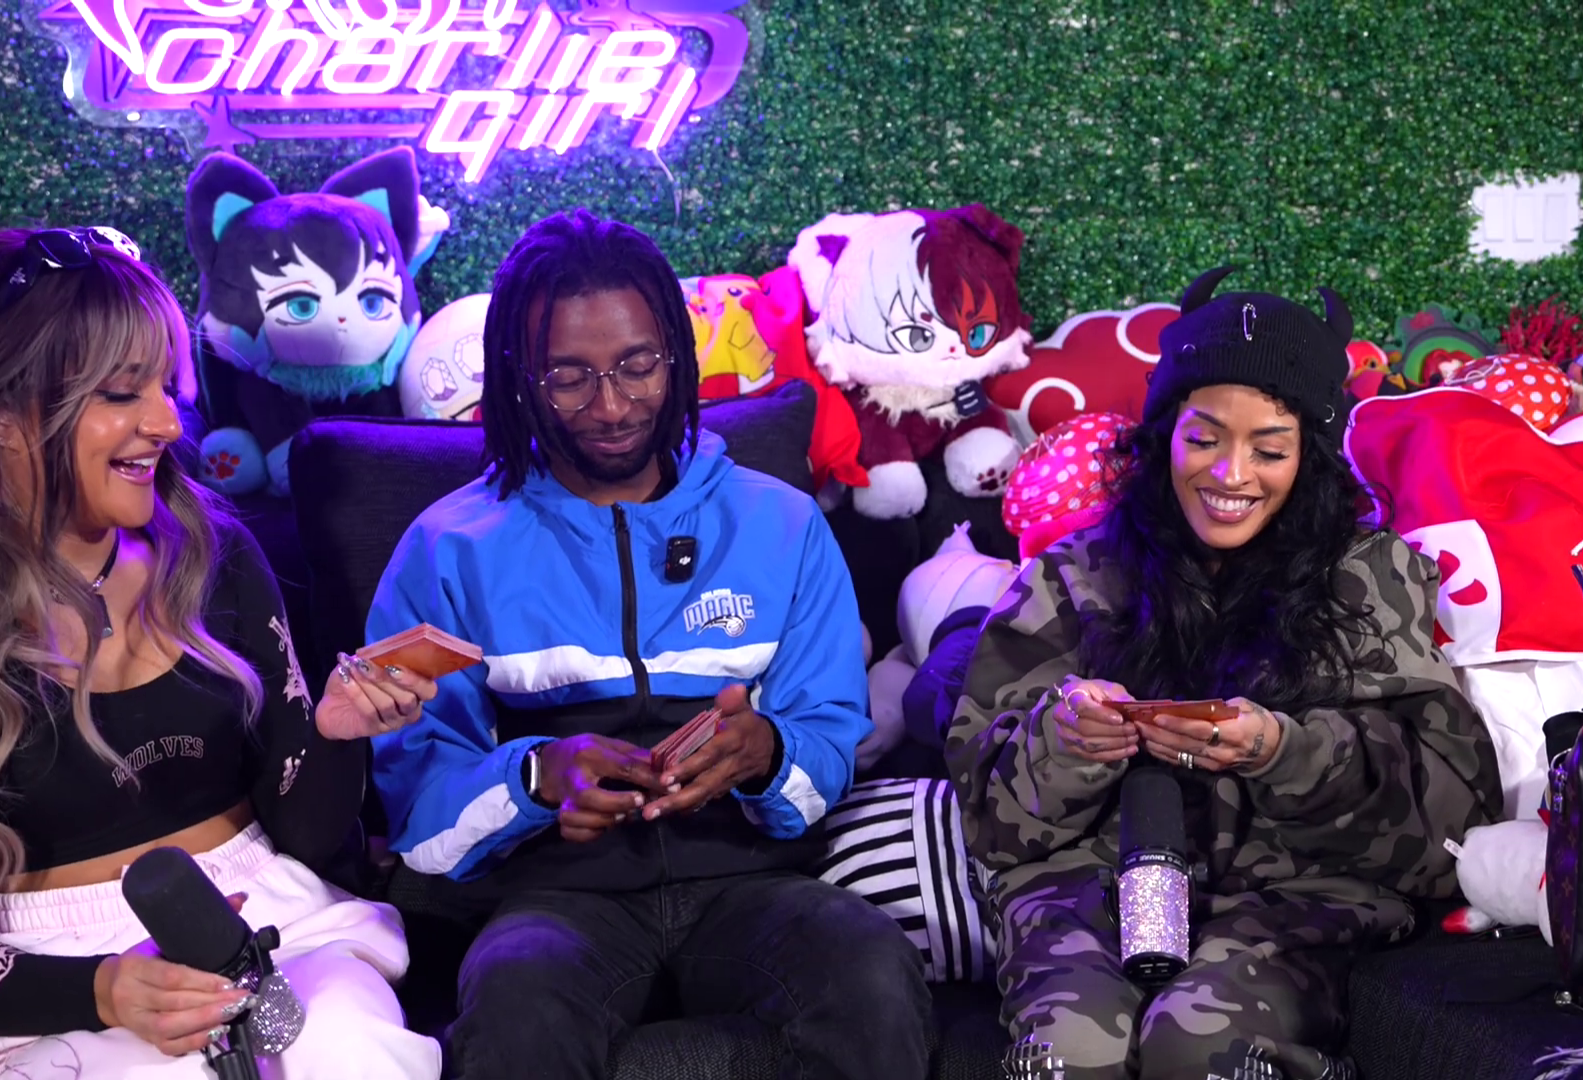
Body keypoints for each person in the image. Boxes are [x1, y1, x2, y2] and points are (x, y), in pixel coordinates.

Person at [0, 227, 442, 1080]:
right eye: (120, 392)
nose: (167, 422)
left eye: (164, 384)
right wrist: (106, 991)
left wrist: (332, 733)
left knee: (343, 1049)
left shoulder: (212, 554)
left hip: (266, 927)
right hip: (34, 986)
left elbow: (308, 840)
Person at [339, 209, 932, 1080]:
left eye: (637, 365)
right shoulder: (447, 547)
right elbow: (418, 806)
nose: (611, 405)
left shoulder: (781, 522)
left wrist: (766, 753)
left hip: (752, 883)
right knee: (514, 1005)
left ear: (676, 358)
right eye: (568, 377)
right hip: (553, 898)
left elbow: (830, 741)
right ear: (518, 378)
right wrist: (537, 779)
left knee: (872, 970)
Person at [946, 266, 1503, 1080]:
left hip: (1299, 893)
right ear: (1162, 435)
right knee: (1072, 1052)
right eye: (1203, 439)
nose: (1231, 475)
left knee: (1198, 1045)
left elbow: (1446, 827)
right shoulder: (1073, 575)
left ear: (1309, 456)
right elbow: (989, 826)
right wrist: (1066, 743)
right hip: (1091, 881)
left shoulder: (1369, 577)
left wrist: (1283, 751)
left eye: (1268, 450)